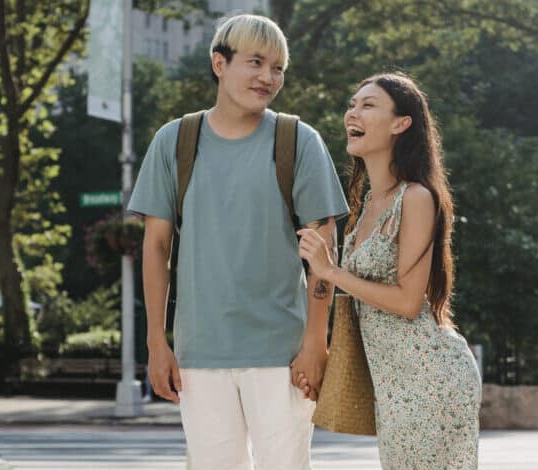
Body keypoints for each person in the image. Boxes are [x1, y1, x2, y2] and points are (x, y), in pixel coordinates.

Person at [127, 14, 348, 470]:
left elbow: (324, 250)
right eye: (255, 62)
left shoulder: (298, 141)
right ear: (218, 63)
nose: (268, 77)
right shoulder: (174, 142)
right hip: (200, 351)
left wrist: (316, 341)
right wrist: (155, 342)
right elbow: (156, 249)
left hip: (282, 354)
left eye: (278, 68)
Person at [297, 72, 482, 469]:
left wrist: (330, 272)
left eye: (368, 105)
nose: (353, 112)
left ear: (401, 124)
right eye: (352, 104)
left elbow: (407, 302)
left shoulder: (415, 198)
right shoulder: (364, 205)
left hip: (431, 379)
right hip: (393, 387)